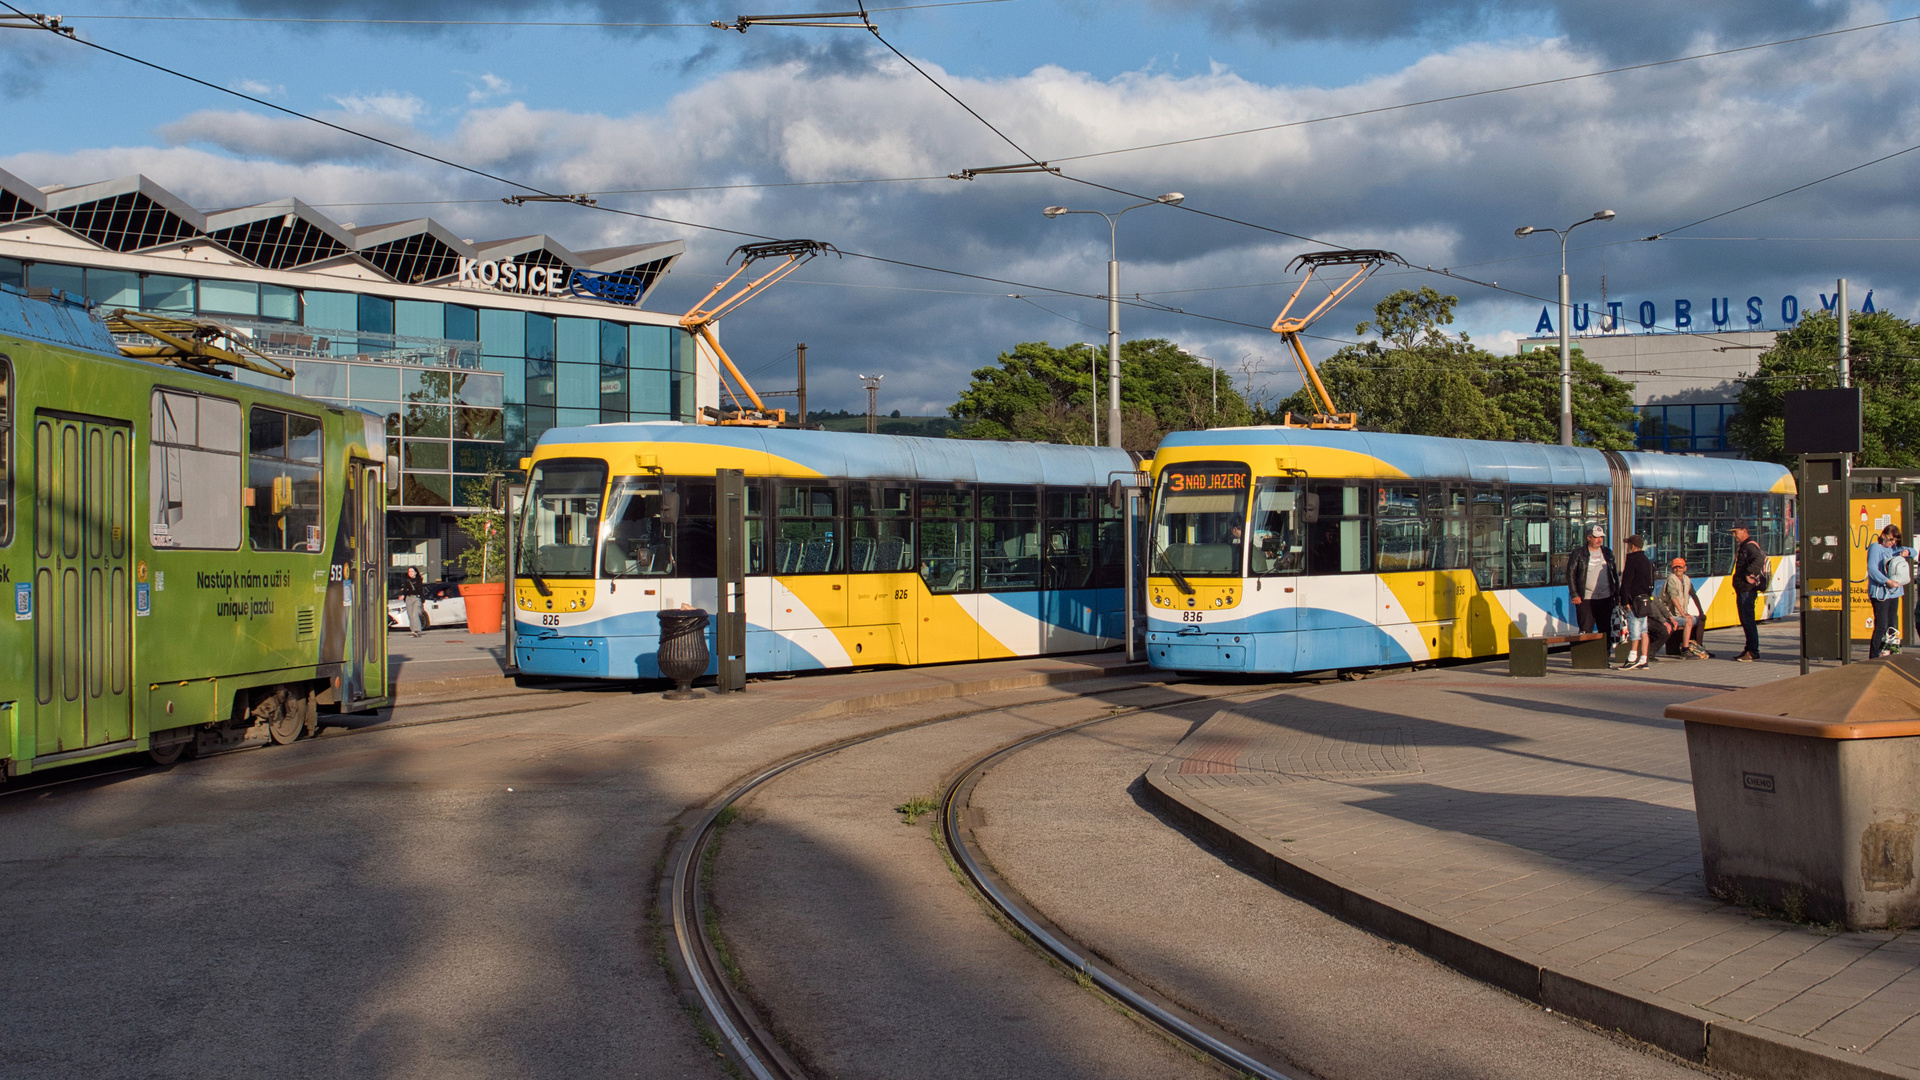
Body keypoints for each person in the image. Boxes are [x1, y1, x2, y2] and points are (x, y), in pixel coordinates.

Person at [1866, 524, 1914, 659]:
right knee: (1882, 625)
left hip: (1895, 592)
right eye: (1891, 539)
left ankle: (1890, 652)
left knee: (1892, 625)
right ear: (1883, 536)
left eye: (1895, 541)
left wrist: (1907, 552)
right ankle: (1874, 656)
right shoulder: (1876, 548)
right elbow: (1872, 569)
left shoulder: (1894, 548)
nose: (1893, 543)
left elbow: (1913, 551)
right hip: (1881, 593)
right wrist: (1886, 581)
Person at [1567, 523, 1621, 637]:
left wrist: (1616, 595)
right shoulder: (1578, 553)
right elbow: (1570, 573)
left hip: (1606, 598)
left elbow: (1614, 575)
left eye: (1601, 537)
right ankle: (1587, 654)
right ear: (1588, 537)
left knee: (1605, 629)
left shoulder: (1607, 552)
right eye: (1596, 537)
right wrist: (1574, 594)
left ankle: (1604, 654)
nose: (1599, 540)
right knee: (1586, 630)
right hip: (1586, 599)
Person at [1652, 556, 1710, 658]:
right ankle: (1685, 649)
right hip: (1669, 615)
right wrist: (1683, 614)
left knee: (1701, 620)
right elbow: (1674, 598)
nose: (1678, 569)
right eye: (1675, 567)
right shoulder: (1671, 579)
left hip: (1680, 614)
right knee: (1688, 621)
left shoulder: (1687, 579)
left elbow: (1694, 595)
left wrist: (1701, 612)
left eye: (1680, 567)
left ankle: (1698, 647)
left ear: (1685, 568)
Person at [1729, 523, 1767, 662]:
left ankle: (1752, 651)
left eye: (1736, 532)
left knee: (1748, 620)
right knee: (1745, 620)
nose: (1734, 535)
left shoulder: (1749, 546)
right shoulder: (1745, 546)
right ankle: (1748, 649)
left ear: (1744, 531)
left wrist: (1748, 573)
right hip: (1743, 588)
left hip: (1747, 589)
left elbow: (1759, 560)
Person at [1619, 534, 1655, 669]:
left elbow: (1626, 583)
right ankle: (1644, 659)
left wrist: (1624, 601)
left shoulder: (1632, 560)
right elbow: (1651, 582)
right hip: (1644, 600)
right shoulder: (1647, 560)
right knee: (1644, 630)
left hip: (1633, 600)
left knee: (1634, 629)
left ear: (1632, 546)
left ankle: (1632, 658)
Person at [399, 566, 424, 638]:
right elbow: (405, 590)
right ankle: (413, 631)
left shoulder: (419, 580)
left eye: (412, 571)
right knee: (410, 614)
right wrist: (404, 595)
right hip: (408, 599)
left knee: (414, 614)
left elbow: (419, 590)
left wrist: (408, 591)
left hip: (416, 598)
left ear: (416, 572)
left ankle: (417, 630)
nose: (410, 573)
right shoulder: (406, 580)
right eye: (409, 572)